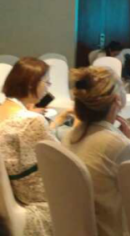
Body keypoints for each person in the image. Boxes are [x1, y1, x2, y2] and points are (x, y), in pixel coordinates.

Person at [62, 67, 130, 237]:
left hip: (78, 225)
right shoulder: (119, 146)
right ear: (117, 100)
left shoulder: (69, 136)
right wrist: (125, 142)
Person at [0, 58, 73, 236]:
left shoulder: (6, 109)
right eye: (46, 82)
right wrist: (78, 126)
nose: (49, 87)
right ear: (31, 83)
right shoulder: (30, 120)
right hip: (34, 195)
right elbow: (65, 159)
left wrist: (57, 120)